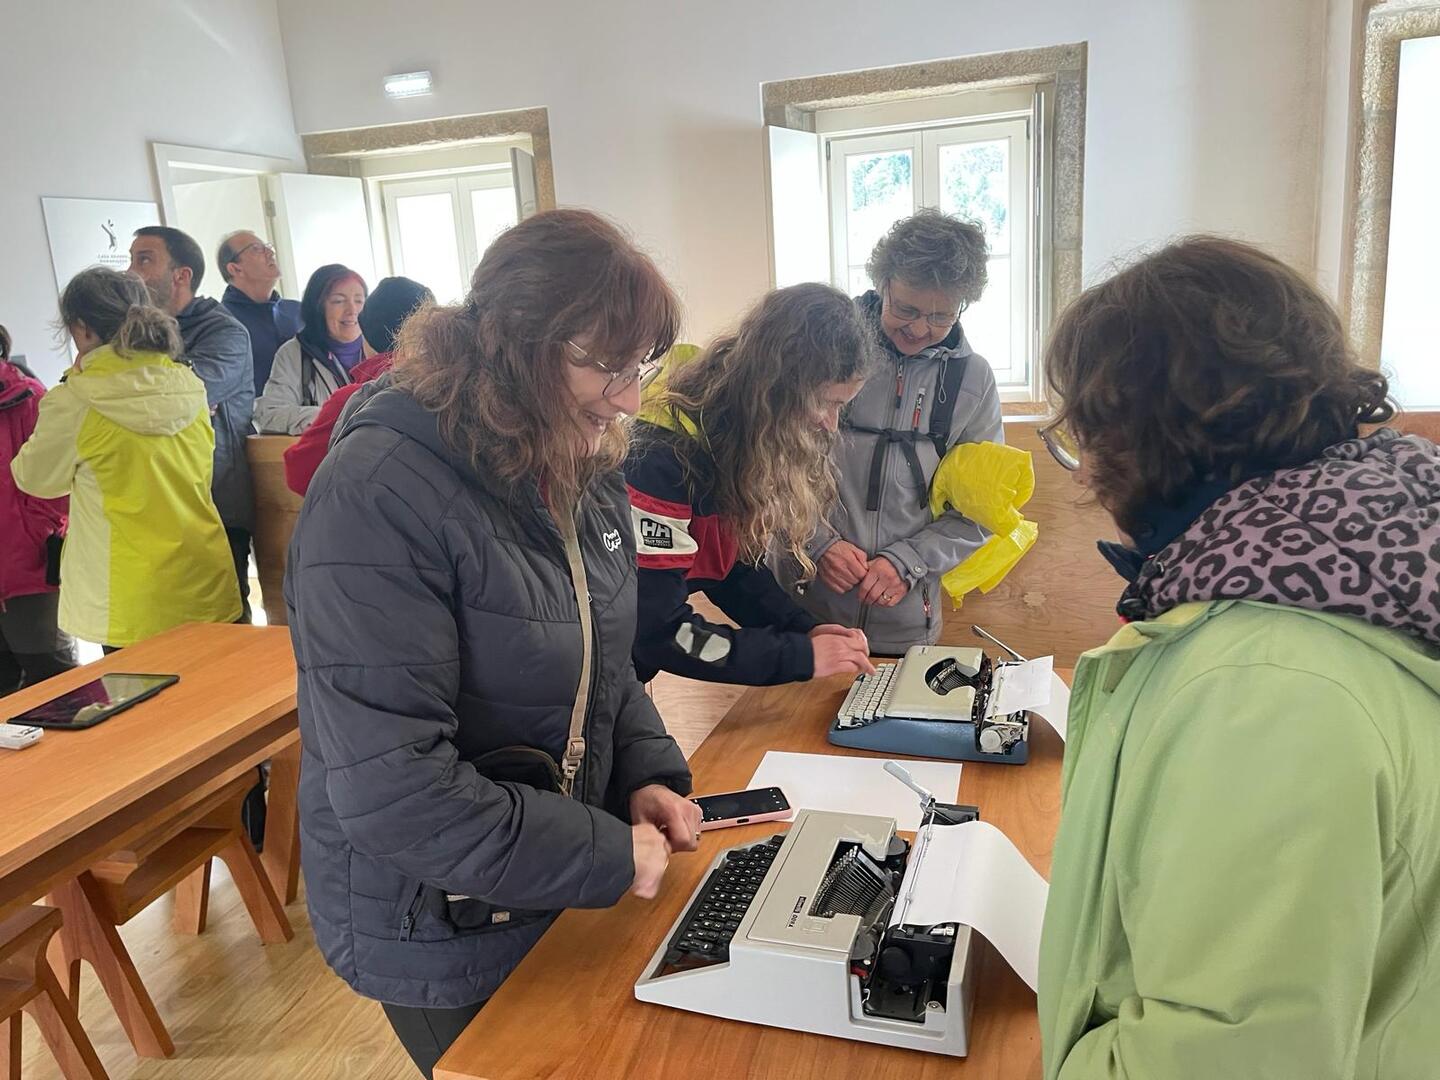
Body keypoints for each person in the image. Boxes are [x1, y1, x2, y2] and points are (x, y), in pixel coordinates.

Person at [285, 208, 699, 1079]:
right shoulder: (378, 493)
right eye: (611, 367)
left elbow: (602, 660)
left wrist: (647, 772)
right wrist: (598, 852)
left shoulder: (577, 460)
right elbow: (395, 792)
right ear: (518, 344)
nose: (630, 398)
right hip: (437, 919)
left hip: (547, 873)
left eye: (641, 368)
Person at [1035, 236, 1440, 1079]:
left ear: (1143, 438)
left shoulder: (1265, 684)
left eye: (1085, 436)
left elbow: (1220, 1052)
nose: (1083, 475)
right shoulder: (1370, 559)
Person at [626, 283, 877, 685]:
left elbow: (732, 570)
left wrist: (802, 629)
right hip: (575, 674)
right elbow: (664, 633)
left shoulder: (732, 436)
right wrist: (797, 656)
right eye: (824, 403)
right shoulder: (660, 460)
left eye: (840, 406)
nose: (830, 424)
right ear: (775, 388)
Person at [783, 209, 1003, 655]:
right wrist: (817, 543)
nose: (919, 329)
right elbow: (771, 467)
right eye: (906, 309)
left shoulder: (974, 381)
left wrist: (909, 561)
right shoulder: (820, 350)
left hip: (906, 623)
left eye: (941, 316)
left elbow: (981, 511)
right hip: (801, 613)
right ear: (882, 284)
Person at [11, 268, 240, 650]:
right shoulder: (188, 383)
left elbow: (34, 479)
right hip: (204, 578)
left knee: (146, 691)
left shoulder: (75, 399)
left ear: (82, 329)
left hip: (129, 598)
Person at [129, 225, 256, 621]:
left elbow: (176, 398)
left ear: (181, 275)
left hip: (214, 507)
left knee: (224, 637)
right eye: (131, 259)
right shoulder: (129, 338)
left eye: (144, 260)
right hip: (153, 508)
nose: (131, 273)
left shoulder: (225, 333)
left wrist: (156, 394)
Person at [282, 275, 432, 496]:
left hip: (375, 515)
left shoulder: (351, 400)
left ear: (366, 334)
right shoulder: (452, 387)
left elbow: (299, 475)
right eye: (338, 300)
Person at [0, 323, 75, 691]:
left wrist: (35, 534)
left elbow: (56, 485)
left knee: (57, 687)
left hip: (27, 570)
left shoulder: (29, 398)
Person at [254, 264, 367, 434]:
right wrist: (334, 415)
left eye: (359, 301)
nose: (352, 310)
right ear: (317, 307)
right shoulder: (294, 353)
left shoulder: (384, 347)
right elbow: (269, 415)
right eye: (339, 301)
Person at [217, 231, 302, 397]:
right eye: (257, 249)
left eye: (267, 247)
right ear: (235, 269)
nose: (270, 253)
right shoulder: (221, 323)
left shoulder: (299, 311)